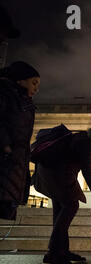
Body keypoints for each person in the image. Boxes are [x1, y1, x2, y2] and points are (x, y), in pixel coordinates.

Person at [32, 122, 91, 264]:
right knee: (71, 205)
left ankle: (62, 252)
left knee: (60, 212)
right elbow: (89, 175)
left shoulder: (88, 142)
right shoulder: (86, 145)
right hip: (54, 174)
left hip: (53, 173)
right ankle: (53, 255)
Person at [0, 61, 40, 220]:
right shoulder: (6, 96)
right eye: (34, 82)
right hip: (6, 161)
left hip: (14, 164)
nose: (36, 88)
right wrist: (6, 146)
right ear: (20, 80)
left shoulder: (25, 103)